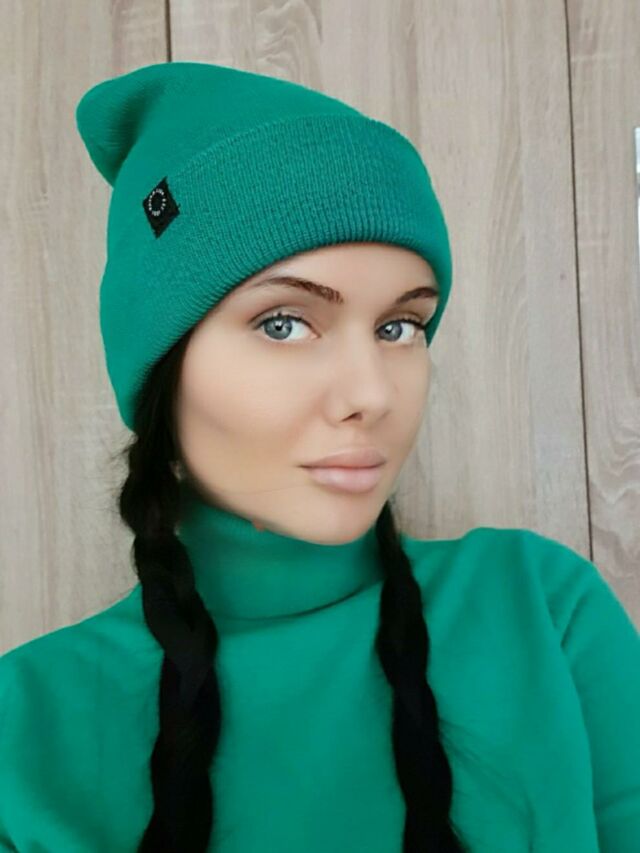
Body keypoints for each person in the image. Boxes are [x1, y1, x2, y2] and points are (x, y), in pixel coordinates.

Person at [0, 61, 638, 853]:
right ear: (161, 369)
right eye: (283, 323)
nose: (371, 393)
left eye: (400, 326)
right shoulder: (23, 730)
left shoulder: (542, 610)